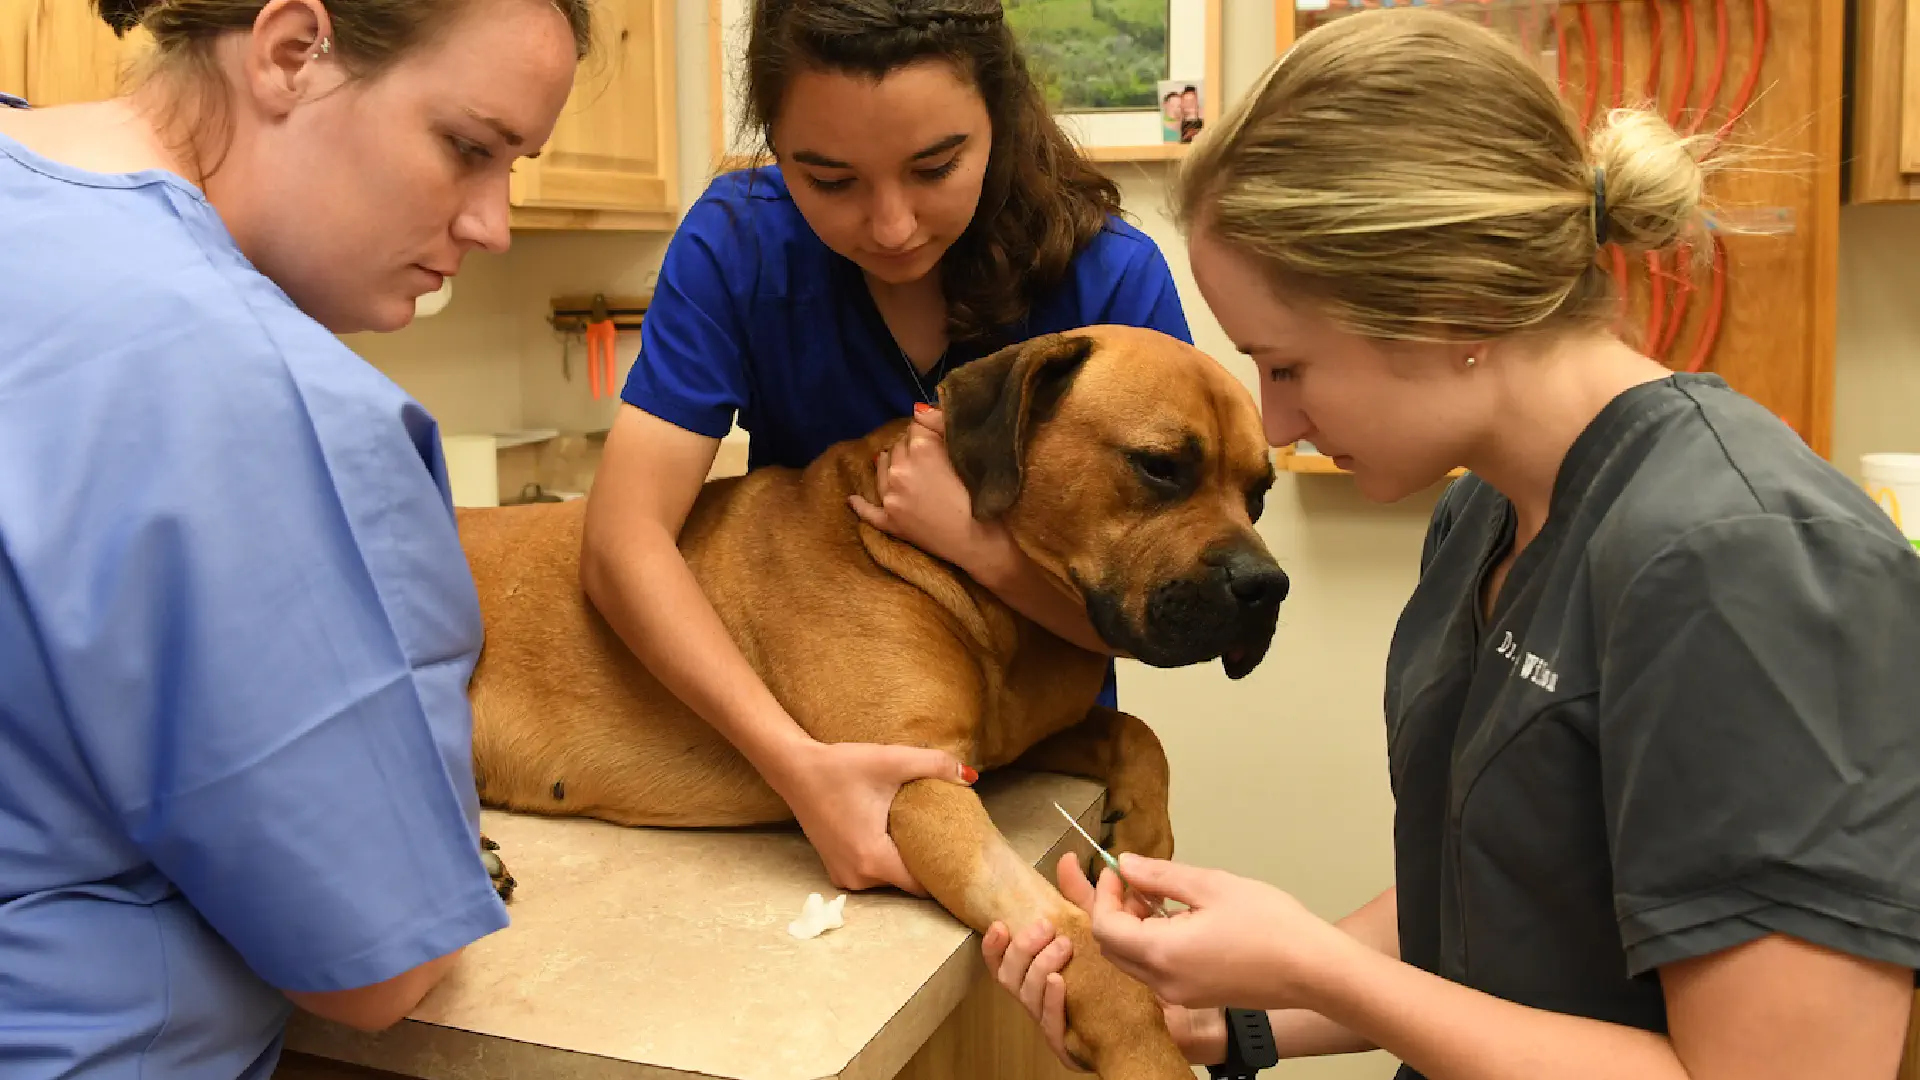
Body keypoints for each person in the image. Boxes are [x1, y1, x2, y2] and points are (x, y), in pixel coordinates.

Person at [984, 9, 1920, 1079]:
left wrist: (1315, 970)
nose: (1277, 425)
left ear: (1454, 306)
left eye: (1286, 366)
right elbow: (1489, 903)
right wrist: (1231, 1009)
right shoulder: (1482, 517)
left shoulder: (1747, 564)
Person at [0, 0, 588, 1074]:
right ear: (289, 51)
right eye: (468, 147)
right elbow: (372, 970)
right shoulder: (254, 392)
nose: (493, 222)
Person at [579, 0, 1192, 896]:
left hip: (1040, 763)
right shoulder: (738, 244)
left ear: (1001, 116)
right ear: (777, 148)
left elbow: (1164, 621)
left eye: (936, 166)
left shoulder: (1110, 280)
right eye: (828, 180)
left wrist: (972, 545)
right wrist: (793, 763)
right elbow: (621, 543)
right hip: (823, 766)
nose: (893, 225)